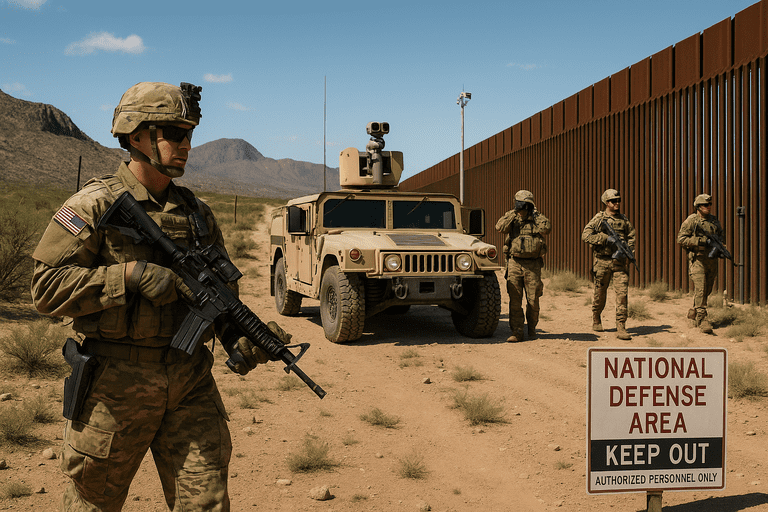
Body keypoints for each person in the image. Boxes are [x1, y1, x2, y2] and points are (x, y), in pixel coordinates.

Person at [30, 82, 277, 511]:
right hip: (115, 387)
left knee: (206, 504)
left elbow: (216, 298)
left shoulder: (198, 214)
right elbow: (45, 289)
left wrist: (239, 337)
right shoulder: (95, 205)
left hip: (190, 382)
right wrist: (126, 276)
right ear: (136, 136)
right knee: (93, 503)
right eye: (174, 134)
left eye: (189, 135)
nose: (185, 145)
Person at [495, 190, 551, 342]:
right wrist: (515, 213)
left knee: (533, 300)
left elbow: (547, 229)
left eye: (524, 204)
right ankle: (517, 332)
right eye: (518, 203)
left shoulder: (537, 217)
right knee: (515, 300)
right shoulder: (511, 216)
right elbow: (499, 227)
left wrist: (534, 213)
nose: (521, 207)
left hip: (532, 265)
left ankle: (532, 329)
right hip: (514, 263)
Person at [581, 188, 636, 340]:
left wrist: (628, 250)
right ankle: (596, 316)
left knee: (622, 294)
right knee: (600, 293)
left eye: (618, 200)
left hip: (620, 263)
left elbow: (631, 236)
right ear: (606, 203)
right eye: (613, 201)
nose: (617, 203)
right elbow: (585, 235)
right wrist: (605, 238)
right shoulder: (599, 218)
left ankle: (621, 326)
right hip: (603, 261)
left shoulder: (624, 220)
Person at [677, 193, 723, 334]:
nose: (708, 207)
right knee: (701, 289)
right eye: (705, 205)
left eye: (709, 205)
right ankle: (703, 320)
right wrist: (701, 241)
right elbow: (681, 239)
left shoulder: (714, 221)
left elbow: (720, 236)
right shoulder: (692, 221)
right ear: (698, 207)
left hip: (711, 260)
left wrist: (720, 248)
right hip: (698, 260)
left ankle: (694, 311)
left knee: (706, 290)